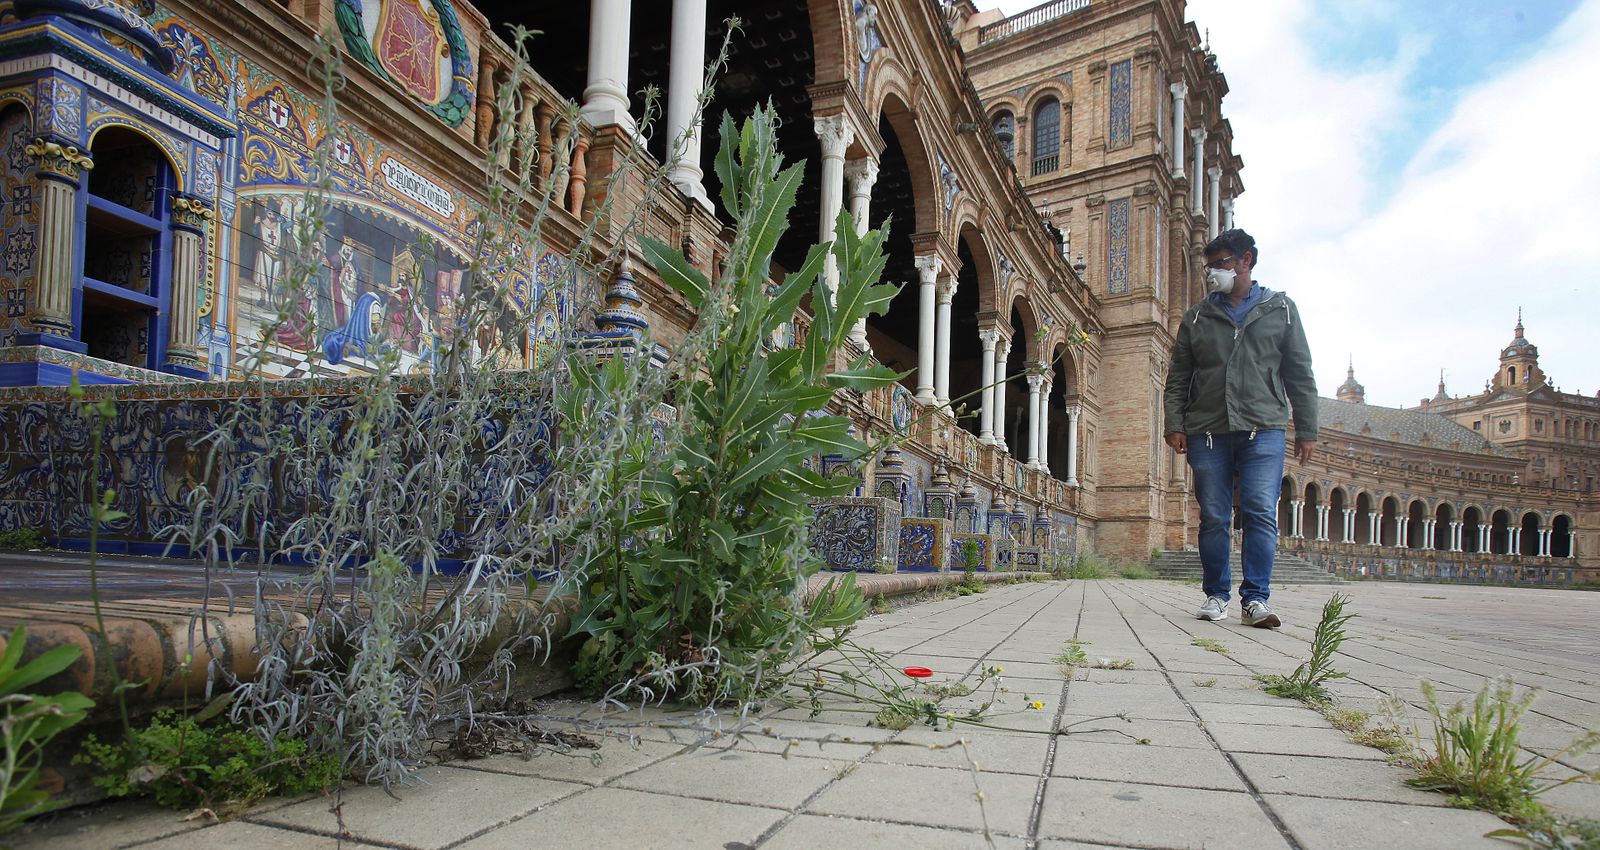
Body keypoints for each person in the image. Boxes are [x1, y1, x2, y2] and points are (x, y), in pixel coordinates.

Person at [1163, 229, 1317, 628]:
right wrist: (1174, 423)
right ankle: (1216, 595)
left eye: (1221, 264)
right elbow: (1179, 375)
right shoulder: (1197, 317)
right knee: (1213, 515)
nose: (1213, 273)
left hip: (1262, 426)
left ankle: (1255, 600)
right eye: (1208, 266)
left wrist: (1307, 429)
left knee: (1260, 511)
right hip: (1208, 428)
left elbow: (1299, 372)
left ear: (1246, 261)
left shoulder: (1280, 310)